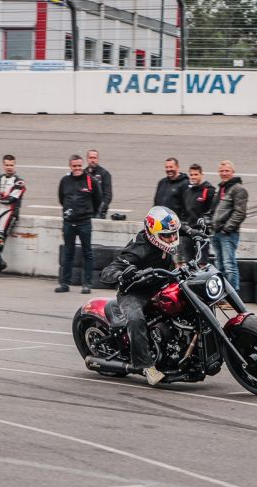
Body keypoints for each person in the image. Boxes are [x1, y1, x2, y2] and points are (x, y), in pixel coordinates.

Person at [98, 206, 183, 385]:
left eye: (174, 234)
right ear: (153, 234)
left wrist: (193, 232)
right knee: (136, 319)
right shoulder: (138, 249)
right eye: (167, 236)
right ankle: (146, 366)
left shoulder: (164, 235)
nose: (172, 239)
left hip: (161, 284)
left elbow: (177, 229)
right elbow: (108, 271)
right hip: (135, 292)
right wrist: (122, 275)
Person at [56, 154, 102, 293]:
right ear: (70, 166)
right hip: (69, 223)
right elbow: (61, 198)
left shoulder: (90, 180)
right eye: (74, 166)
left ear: (83, 166)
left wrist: (88, 212)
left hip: (84, 223)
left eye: (79, 166)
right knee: (68, 253)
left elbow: (98, 199)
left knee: (87, 253)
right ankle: (65, 283)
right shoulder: (65, 180)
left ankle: (87, 284)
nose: (77, 168)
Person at [211, 160, 247, 292]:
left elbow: (240, 213)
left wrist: (227, 229)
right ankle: (222, 294)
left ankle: (233, 295)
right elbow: (215, 210)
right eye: (222, 171)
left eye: (227, 171)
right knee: (219, 266)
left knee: (229, 266)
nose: (224, 173)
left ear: (233, 172)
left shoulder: (238, 189)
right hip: (216, 233)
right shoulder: (221, 188)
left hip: (228, 234)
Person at [0, 154, 26, 276]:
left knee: (0, 235)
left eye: (11, 165)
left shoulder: (19, 181)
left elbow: (11, 199)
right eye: (7, 165)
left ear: (15, 165)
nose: (9, 167)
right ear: (3, 165)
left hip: (10, 212)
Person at [180, 163, 216, 264]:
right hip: (188, 234)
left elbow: (212, 212)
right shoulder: (187, 192)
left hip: (201, 234)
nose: (193, 177)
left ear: (201, 174)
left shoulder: (209, 191)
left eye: (196, 174)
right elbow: (183, 212)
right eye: (191, 175)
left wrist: (206, 228)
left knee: (201, 263)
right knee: (188, 264)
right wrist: (184, 227)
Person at [86, 149, 112, 219]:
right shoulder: (84, 173)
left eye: (94, 158)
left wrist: (100, 211)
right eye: (90, 158)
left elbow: (108, 196)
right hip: (85, 212)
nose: (92, 160)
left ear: (98, 159)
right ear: (87, 159)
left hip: (99, 213)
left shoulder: (104, 174)